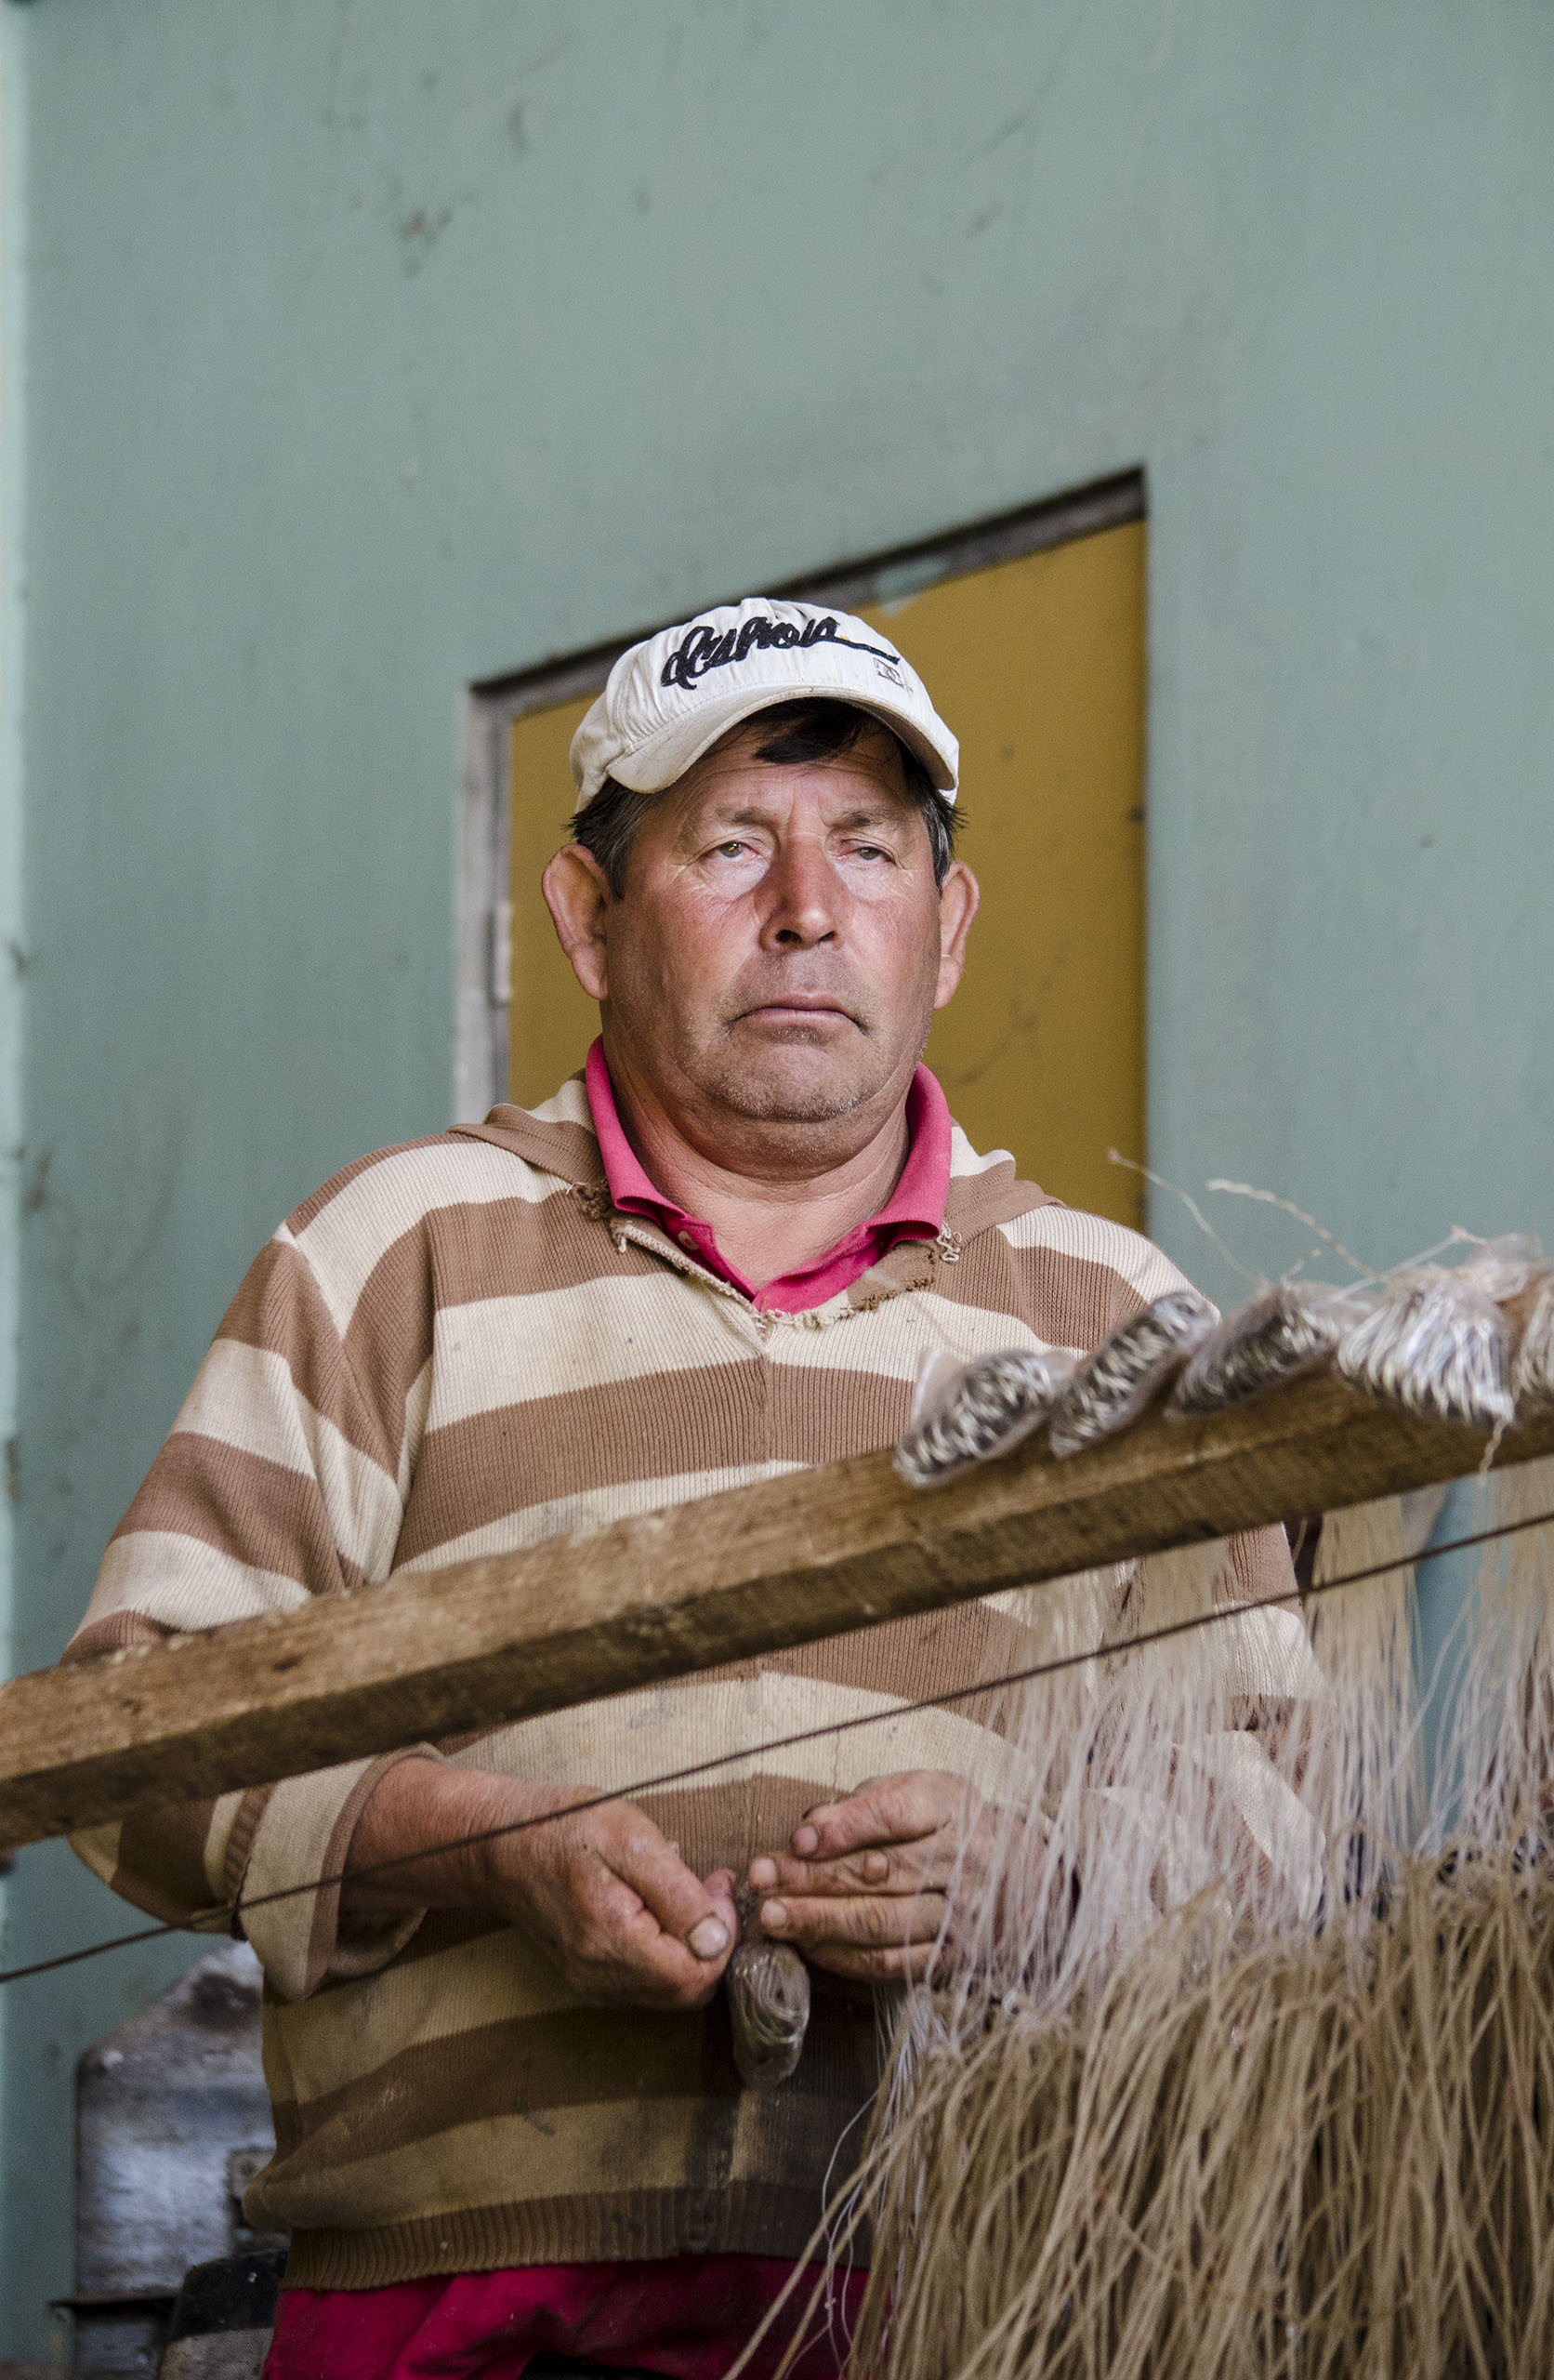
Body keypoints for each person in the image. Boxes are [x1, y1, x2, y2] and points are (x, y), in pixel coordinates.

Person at [66, 598, 1296, 2379]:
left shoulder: (1118, 1321)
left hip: (986, 2290)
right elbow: (128, 1750)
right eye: (730, 846)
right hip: (455, 2307)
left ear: (947, 928)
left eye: (867, 847)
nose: (808, 909)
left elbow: (1293, 1811)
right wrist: (483, 1843)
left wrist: (1048, 1882)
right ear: (589, 916)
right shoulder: (396, 1252)